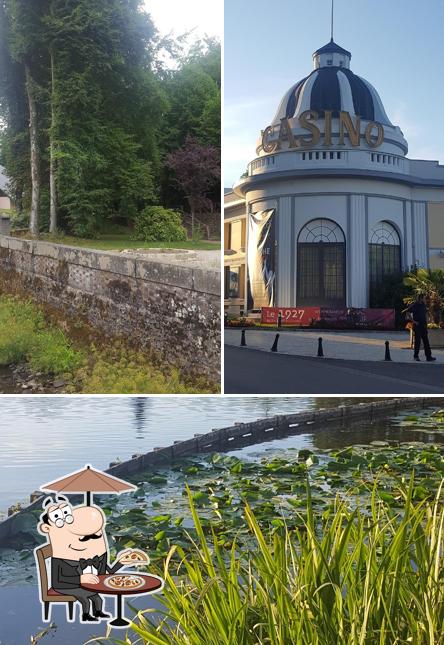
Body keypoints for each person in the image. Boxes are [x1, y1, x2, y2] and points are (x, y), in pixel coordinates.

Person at [37, 496, 145, 623]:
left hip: (84, 583)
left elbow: (108, 572)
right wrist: (80, 579)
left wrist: (122, 562)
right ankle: (86, 615)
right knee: (84, 596)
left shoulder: (95, 556)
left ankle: (99, 612)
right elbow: (58, 579)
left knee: (97, 598)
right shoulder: (60, 559)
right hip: (64, 585)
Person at [407, 294, 436, 362]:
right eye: (423, 298)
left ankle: (428, 357)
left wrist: (428, 320)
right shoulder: (414, 305)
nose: (425, 300)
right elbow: (408, 312)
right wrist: (413, 321)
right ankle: (416, 356)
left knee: (426, 341)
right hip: (417, 326)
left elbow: (425, 313)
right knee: (418, 342)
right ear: (420, 298)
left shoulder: (423, 305)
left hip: (424, 325)